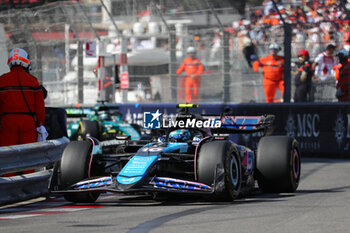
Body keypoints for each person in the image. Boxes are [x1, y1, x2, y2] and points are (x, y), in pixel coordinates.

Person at [0, 48, 45, 146]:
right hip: (28, 122)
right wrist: (41, 124)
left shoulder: (2, 80)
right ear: (25, 62)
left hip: (8, 122)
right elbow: (40, 107)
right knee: (28, 154)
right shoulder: (33, 81)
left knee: (7, 153)